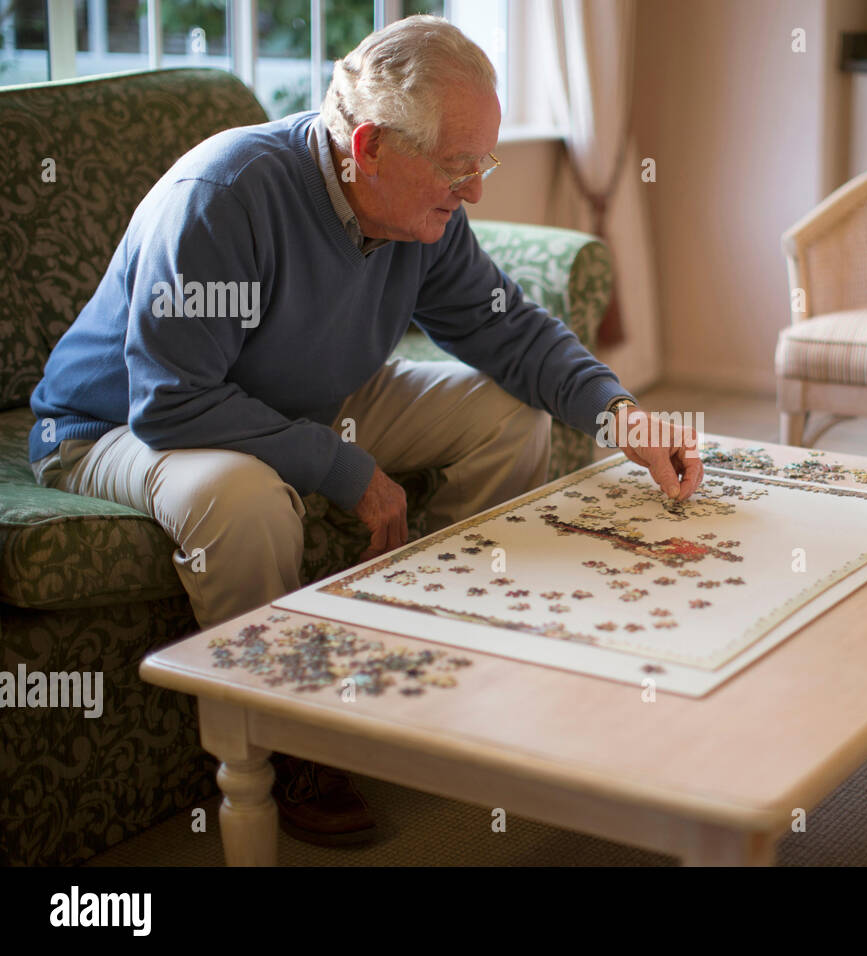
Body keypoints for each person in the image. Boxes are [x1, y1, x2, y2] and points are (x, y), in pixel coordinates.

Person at [28, 15, 701, 846]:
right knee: (242, 499)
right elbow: (170, 400)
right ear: (372, 146)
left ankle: (436, 658)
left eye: (482, 162)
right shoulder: (222, 197)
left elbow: (507, 330)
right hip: (116, 423)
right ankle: (282, 742)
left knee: (504, 412)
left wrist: (620, 413)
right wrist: (346, 469)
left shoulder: (423, 219)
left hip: (297, 396)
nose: (477, 191)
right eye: (460, 167)